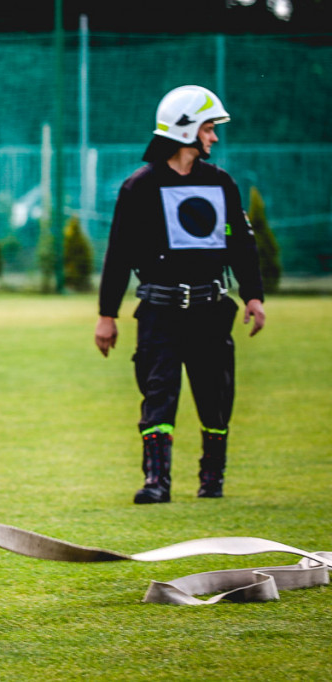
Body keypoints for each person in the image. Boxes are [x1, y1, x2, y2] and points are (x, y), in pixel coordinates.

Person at [94, 85, 266, 504]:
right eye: (209, 128)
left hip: (211, 310)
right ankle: (157, 482)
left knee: (216, 396)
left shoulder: (220, 183)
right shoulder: (140, 186)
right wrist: (107, 314)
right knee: (158, 394)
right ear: (186, 130)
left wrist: (254, 296)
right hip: (159, 312)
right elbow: (118, 254)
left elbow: (242, 244)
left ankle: (212, 479)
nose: (214, 138)